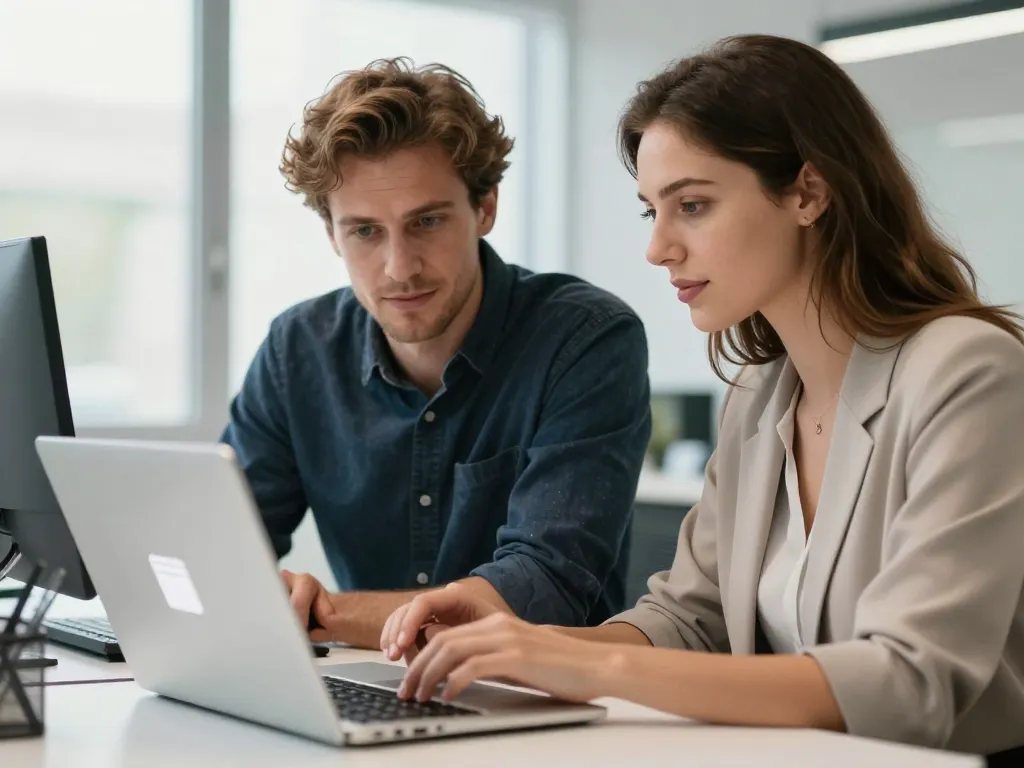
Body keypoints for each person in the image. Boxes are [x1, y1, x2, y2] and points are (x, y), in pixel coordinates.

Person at [379, 34, 1024, 762]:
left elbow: (911, 683)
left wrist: (591, 667)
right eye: (652, 210)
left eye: (692, 205)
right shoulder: (759, 394)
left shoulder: (970, 373)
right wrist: (515, 642)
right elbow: (687, 619)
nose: (659, 249)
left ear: (808, 192)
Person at [221, 58, 651, 648]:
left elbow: (545, 586)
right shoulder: (297, 350)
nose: (399, 267)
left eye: (426, 221)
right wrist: (260, 594)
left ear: (485, 208)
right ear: (331, 235)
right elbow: (220, 549)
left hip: (536, 701)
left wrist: (319, 613)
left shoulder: (584, 339)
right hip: (366, 683)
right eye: (365, 231)